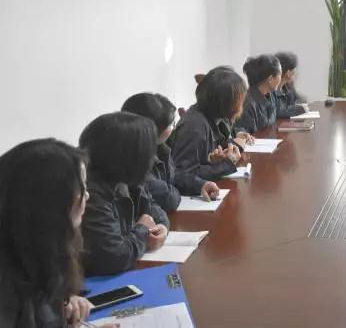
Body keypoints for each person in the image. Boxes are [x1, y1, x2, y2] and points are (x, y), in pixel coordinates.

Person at [0, 139, 114, 327]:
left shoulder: (36, 249)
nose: (87, 196)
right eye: (81, 188)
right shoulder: (7, 285)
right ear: (50, 204)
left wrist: (61, 307)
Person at [80, 112, 169, 276]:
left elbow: (153, 209)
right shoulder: (89, 193)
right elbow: (114, 257)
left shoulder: (122, 178)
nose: (152, 158)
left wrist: (162, 227)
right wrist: (143, 231)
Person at [123, 93, 220, 211]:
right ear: (153, 128)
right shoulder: (133, 160)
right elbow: (169, 198)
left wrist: (200, 185)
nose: (174, 127)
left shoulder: (160, 148)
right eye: (170, 124)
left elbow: (174, 176)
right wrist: (173, 190)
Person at [170, 67, 247, 185]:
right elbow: (184, 173)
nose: (241, 104)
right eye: (239, 99)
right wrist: (227, 164)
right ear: (224, 101)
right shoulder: (195, 127)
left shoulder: (214, 117)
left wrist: (224, 155)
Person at [236, 55, 282, 133]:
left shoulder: (271, 95)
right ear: (270, 79)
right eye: (280, 74)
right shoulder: (248, 103)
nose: (281, 77)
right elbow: (244, 134)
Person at [274, 52, 307, 118]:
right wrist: (298, 109)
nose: (296, 74)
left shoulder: (287, 86)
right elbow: (276, 112)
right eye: (294, 70)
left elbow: (299, 99)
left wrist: (301, 105)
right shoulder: (270, 90)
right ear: (288, 73)